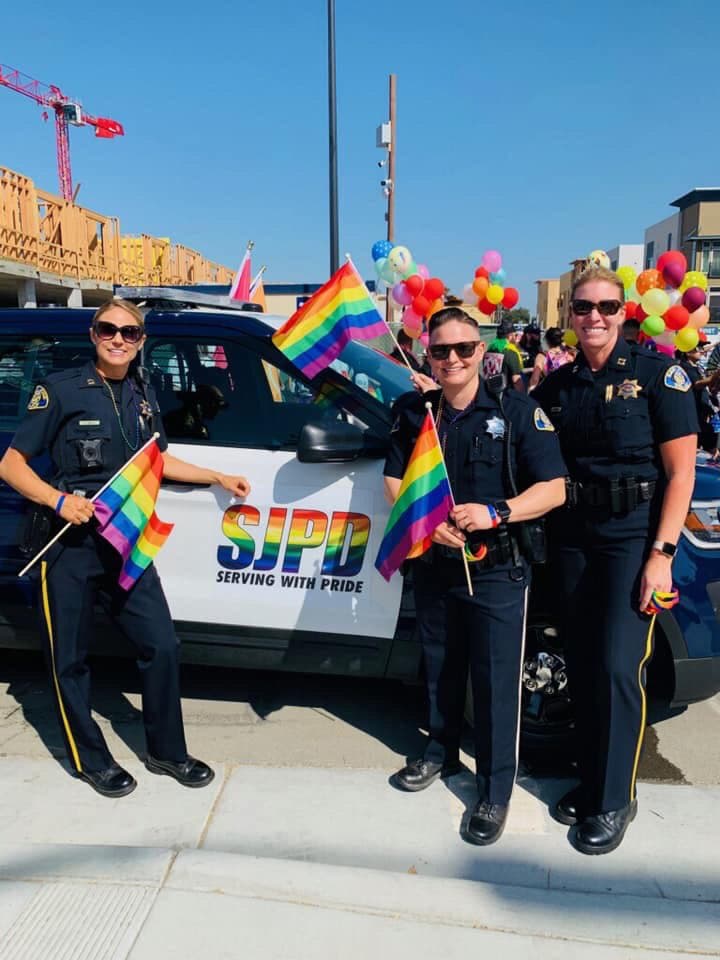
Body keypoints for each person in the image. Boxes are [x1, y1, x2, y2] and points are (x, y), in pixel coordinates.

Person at [0, 300, 251, 799]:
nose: (118, 339)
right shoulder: (61, 390)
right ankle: (91, 760)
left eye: (129, 332)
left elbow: (154, 460)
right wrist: (57, 499)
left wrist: (216, 477)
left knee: (162, 645)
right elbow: (11, 464)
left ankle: (166, 751)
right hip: (68, 544)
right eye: (108, 329)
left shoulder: (142, 392)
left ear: (141, 340)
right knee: (69, 658)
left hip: (126, 541)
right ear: (92, 333)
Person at [384, 307, 566, 845]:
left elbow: (553, 488)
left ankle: (494, 790)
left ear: (482, 352)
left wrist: (498, 512)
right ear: (427, 355)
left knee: (493, 684)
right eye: (441, 351)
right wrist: (427, 521)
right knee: (440, 668)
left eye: (464, 348)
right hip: (437, 563)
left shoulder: (516, 411)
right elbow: (394, 479)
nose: (453, 359)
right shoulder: (415, 413)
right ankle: (439, 754)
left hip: (499, 570)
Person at [533, 266, 697, 855]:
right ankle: (593, 779)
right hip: (574, 537)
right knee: (582, 665)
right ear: (570, 316)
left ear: (624, 312)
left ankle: (615, 800)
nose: (593, 317)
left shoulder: (660, 377)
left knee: (617, 665)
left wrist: (662, 555)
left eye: (605, 307)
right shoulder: (557, 387)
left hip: (633, 540)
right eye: (582, 308)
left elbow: (680, 475)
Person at [483, 319, 525, 391]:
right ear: (510, 335)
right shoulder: (510, 353)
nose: (516, 337)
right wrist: (524, 398)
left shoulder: (488, 351)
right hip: (506, 396)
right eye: (515, 335)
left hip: (489, 393)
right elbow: (516, 381)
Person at [527, 327, 572, 391]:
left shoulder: (542, 356)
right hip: (566, 393)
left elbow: (534, 379)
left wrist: (529, 393)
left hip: (549, 393)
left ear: (547, 341)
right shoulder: (569, 355)